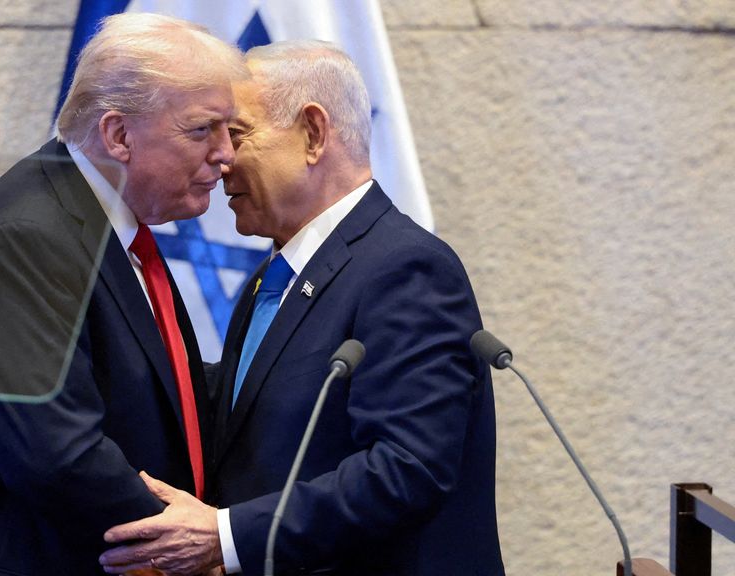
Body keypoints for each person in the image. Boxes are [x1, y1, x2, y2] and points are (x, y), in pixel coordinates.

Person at [99, 41, 504, 576]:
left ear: (313, 133)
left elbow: (407, 469)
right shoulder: (272, 277)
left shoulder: (405, 269)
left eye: (236, 134)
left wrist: (225, 536)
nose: (220, 159)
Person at [0, 13, 246, 576]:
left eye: (229, 130)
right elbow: (59, 456)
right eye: (201, 130)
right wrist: (187, 545)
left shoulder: (104, 221)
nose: (226, 154)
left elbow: (151, 389)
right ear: (118, 135)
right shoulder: (26, 237)